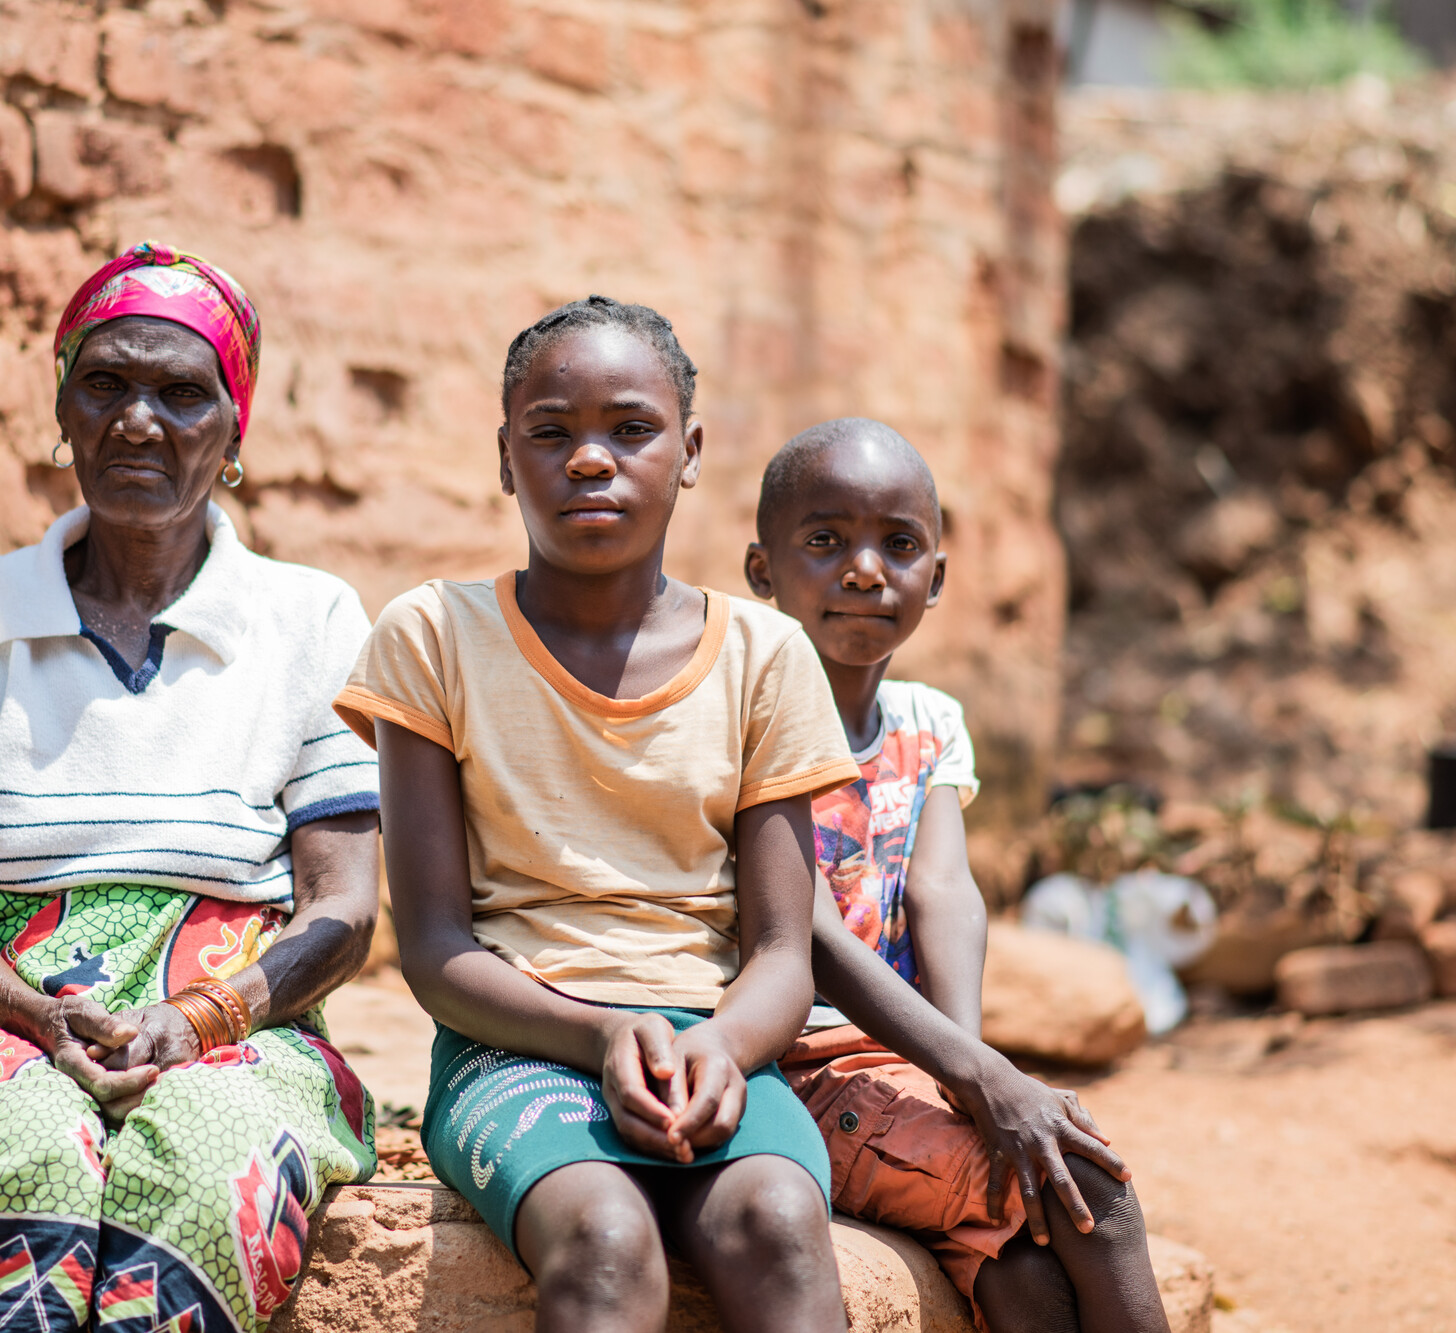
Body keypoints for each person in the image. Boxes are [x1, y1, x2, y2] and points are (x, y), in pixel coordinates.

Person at [0, 242, 382, 1333]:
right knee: (25, 1153)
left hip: (245, 1023)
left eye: (181, 393)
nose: (138, 419)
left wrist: (198, 1017)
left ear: (232, 430)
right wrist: (37, 1016)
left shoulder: (308, 618)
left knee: (198, 1162)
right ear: (63, 411)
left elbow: (343, 909)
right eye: (105, 384)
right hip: (3, 1012)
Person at [336, 296, 860, 1333]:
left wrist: (719, 1047)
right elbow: (436, 950)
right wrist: (603, 1030)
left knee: (776, 1219)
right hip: (515, 1043)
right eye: (549, 432)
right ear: (502, 457)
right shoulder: (433, 636)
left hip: (717, 1042)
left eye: (629, 429)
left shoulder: (763, 655)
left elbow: (780, 951)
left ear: (690, 449)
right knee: (606, 1239)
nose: (588, 460)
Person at [743, 417, 1168, 1333]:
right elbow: (805, 934)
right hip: (794, 1065)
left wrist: (962, 1074)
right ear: (760, 571)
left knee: (1027, 1282)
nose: (864, 570)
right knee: (1094, 1192)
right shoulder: (747, 719)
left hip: (906, 1055)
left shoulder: (928, 722)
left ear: (935, 580)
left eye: (898, 545)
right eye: (825, 541)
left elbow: (943, 890)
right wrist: (973, 1074)